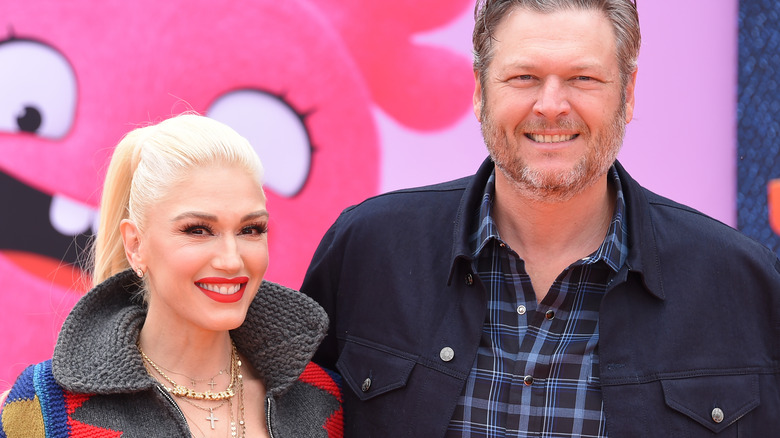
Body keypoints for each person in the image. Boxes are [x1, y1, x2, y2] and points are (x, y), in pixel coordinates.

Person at [300, 0, 780, 436]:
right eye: (524, 77)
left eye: (583, 78)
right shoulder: (367, 251)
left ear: (628, 93)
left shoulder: (741, 283)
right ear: (480, 91)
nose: (551, 106)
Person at [0, 113, 343, 437]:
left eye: (250, 229)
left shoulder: (327, 400)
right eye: (198, 230)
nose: (231, 260)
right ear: (135, 245)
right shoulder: (47, 405)